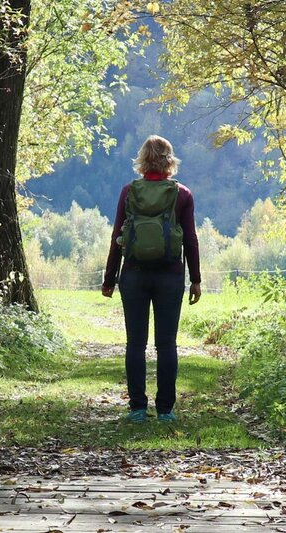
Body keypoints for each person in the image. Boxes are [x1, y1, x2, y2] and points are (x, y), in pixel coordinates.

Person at [101, 135, 201, 424]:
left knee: (135, 343)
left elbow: (117, 236)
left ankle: (137, 409)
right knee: (167, 343)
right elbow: (191, 240)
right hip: (170, 275)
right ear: (170, 160)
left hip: (133, 275)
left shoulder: (128, 191)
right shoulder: (182, 194)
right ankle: (166, 410)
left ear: (142, 159)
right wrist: (195, 279)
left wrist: (110, 278)